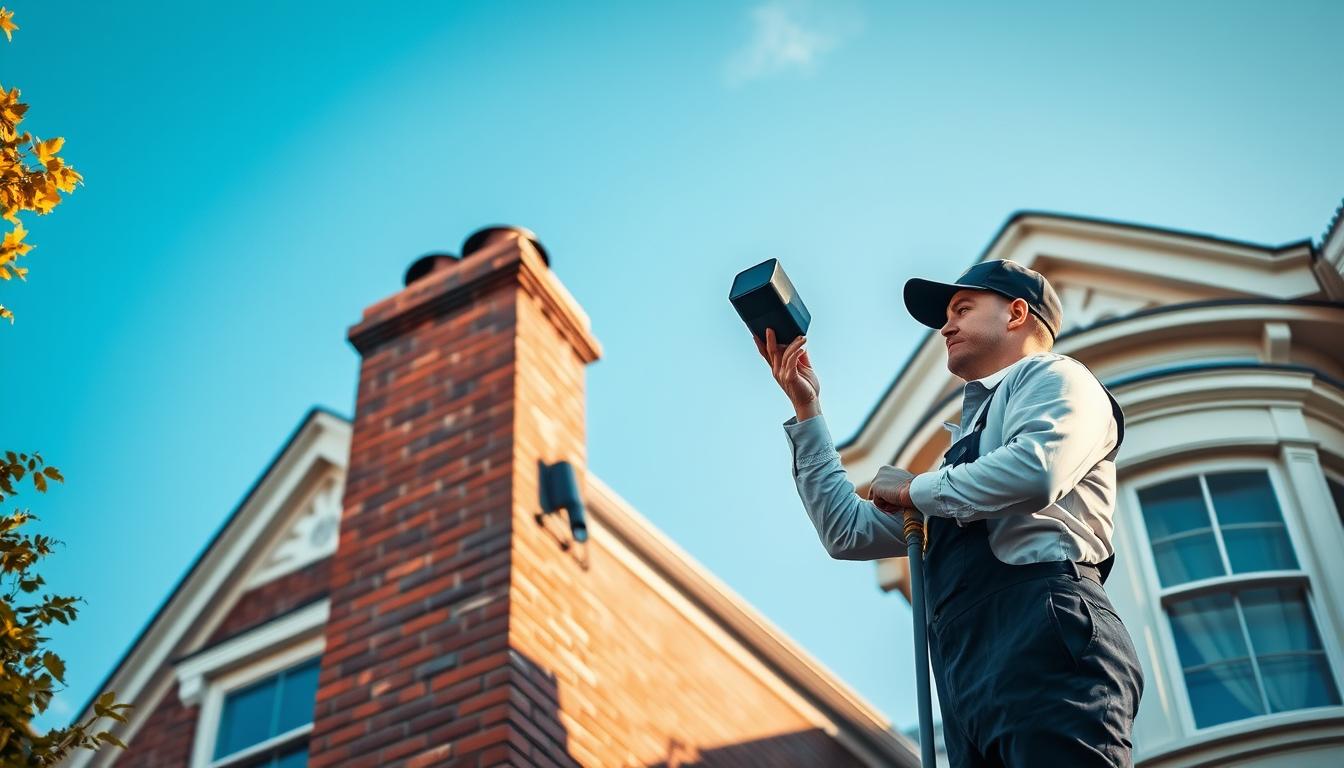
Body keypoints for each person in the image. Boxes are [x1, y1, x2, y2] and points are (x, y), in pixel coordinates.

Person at [753, 259, 1144, 768]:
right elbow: (845, 531)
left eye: (962, 308)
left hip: (1045, 635)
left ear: (1017, 313)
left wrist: (916, 488)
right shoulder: (959, 457)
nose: (946, 325)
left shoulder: (1058, 377)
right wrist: (808, 410)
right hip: (967, 677)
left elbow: (1037, 470)